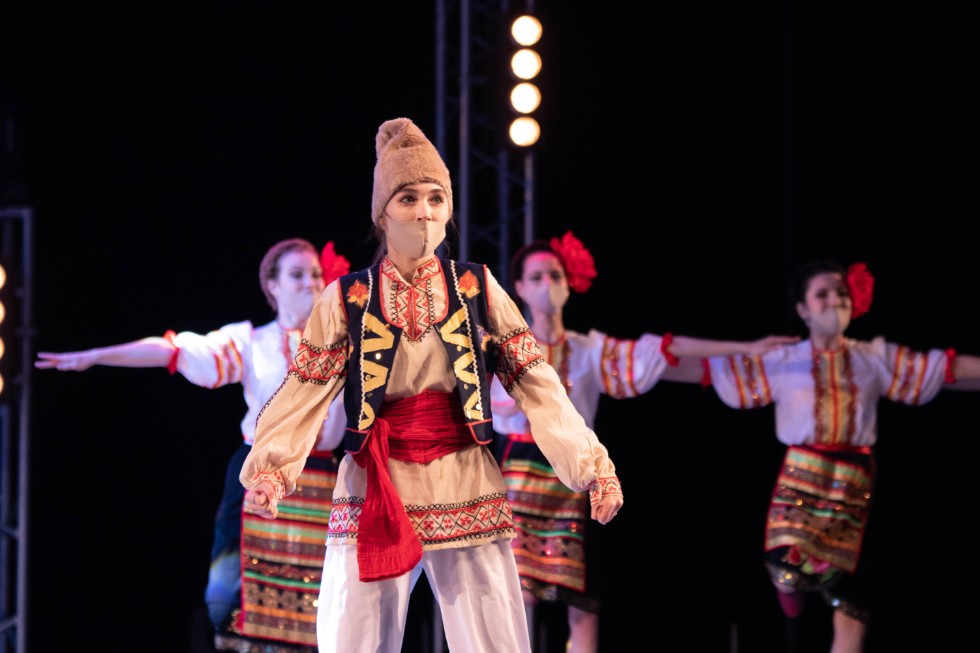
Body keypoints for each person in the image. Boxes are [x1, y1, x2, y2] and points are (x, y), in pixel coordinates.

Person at [239, 117, 625, 653]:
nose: (424, 211)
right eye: (408, 198)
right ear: (382, 213)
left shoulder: (475, 287)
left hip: (462, 472)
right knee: (354, 637)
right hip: (376, 477)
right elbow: (306, 390)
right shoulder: (347, 297)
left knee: (492, 638)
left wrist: (592, 467)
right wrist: (271, 471)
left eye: (435, 198)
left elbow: (536, 382)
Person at [35, 237, 351, 653]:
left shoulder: (347, 343)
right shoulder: (251, 343)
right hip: (259, 476)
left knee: (321, 605)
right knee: (232, 599)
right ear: (272, 286)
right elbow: (176, 350)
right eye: (297, 275)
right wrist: (97, 355)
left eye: (315, 274)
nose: (310, 282)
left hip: (324, 480)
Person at [490, 232, 799, 653]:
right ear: (520, 288)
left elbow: (663, 350)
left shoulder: (588, 350)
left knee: (582, 601)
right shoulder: (503, 349)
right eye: (537, 277)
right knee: (517, 595)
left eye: (555, 275)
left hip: (576, 477)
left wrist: (747, 347)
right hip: (520, 471)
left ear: (569, 283)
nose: (548, 284)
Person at [704, 259, 980, 653]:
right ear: (803, 310)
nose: (835, 300)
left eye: (841, 293)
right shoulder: (784, 360)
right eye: (823, 294)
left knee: (852, 608)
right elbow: (712, 370)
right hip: (802, 477)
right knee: (785, 571)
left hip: (856, 485)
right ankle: (792, 609)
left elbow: (942, 369)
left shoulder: (873, 358)